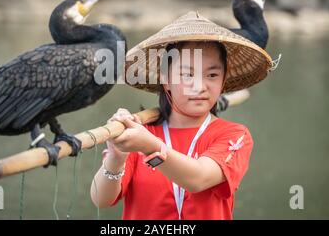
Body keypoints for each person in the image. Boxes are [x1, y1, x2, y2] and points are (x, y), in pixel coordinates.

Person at [90, 11, 273, 219]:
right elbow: (100, 199)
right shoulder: (141, 134)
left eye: (212, 75)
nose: (200, 86)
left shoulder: (233, 135)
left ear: (223, 80)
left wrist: (149, 146)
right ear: (166, 79)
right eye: (187, 74)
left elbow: (198, 179)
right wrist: (116, 157)